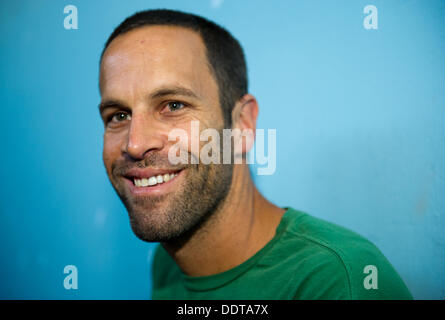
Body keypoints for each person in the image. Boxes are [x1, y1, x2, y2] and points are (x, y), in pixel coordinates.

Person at [98, 9, 412, 299]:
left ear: (241, 124)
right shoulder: (167, 264)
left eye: (174, 106)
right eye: (118, 115)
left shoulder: (338, 282)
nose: (135, 144)